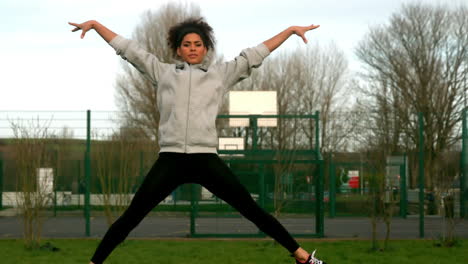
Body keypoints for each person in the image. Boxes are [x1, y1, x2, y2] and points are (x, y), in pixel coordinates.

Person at [69, 17, 324, 264]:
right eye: (187, 44)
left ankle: (301, 256)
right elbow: (129, 50)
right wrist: (95, 25)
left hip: (205, 159)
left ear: (206, 49)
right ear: (178, 50)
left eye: (198, 44)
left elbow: (255, 55)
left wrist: (290, 30)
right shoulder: (163, 72)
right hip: (171, 159)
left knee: (251, 209)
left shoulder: (220, 74)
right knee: (132, 216)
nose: (192, 49)